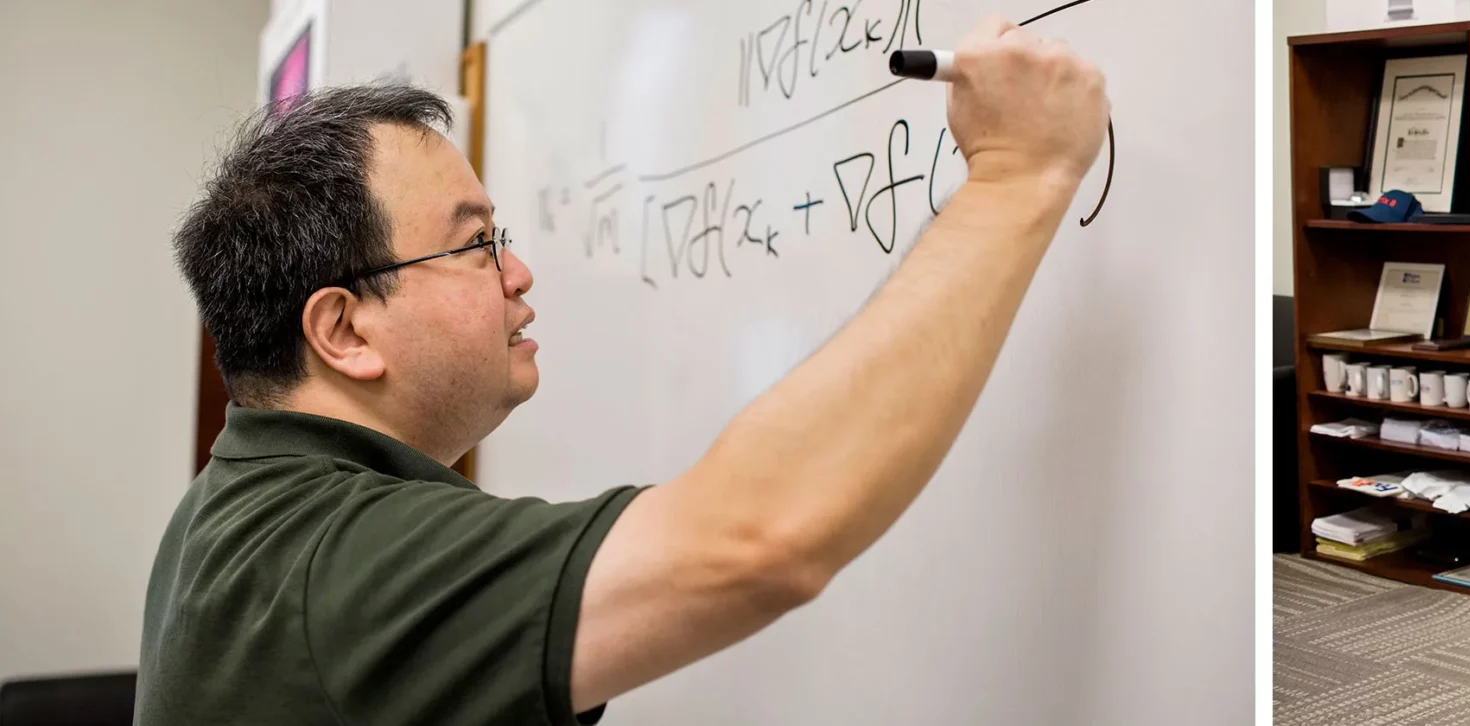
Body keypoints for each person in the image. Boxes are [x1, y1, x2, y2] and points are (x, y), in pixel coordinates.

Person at [138, 17, 1107, 725]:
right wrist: (1019, 176)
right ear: (343, 330)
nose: (517, 272)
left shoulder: (239, 498)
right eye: (475, 245)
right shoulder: (340, 564)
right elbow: (757, 540)